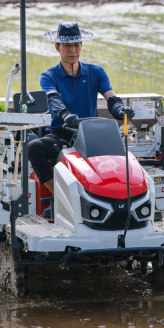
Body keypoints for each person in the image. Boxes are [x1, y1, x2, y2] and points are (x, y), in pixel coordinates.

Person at [29, 22, 135, 211]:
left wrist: (120, 109)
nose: (73, 50)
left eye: (77, 45)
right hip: (60, 133)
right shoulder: (49, 76)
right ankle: (61, 197)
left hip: (90, 133)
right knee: (34, 147)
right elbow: (53, 101)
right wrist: (66, 115)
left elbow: (111, 98)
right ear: (57, 47)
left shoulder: (96, 72)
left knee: (121, 159)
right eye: (68, 46)